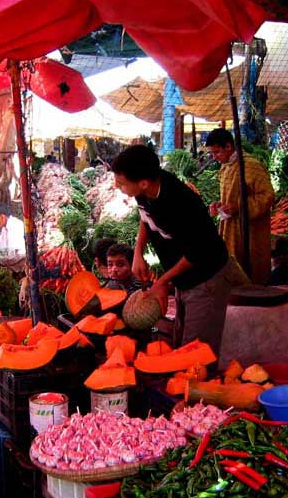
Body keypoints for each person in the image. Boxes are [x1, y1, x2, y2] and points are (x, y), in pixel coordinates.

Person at [112, 144, 248, 357]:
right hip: (184, 278)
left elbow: (195, 254)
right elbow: (145, 217)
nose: (116, 186)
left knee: (195, 354)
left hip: (206, 277)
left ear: (143, 182)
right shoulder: (146, 190)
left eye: (121, 183)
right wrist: (138, 252)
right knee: (181, 344)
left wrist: (162, 282)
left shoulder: (179, 203)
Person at [205, 127, 276, 286]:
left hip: (250, 232)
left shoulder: (250, 166)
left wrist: (238, 207)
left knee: (251, 273)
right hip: (229, 228)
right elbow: (230, 196)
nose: (214, 157)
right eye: (212, 153)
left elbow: (267, 196)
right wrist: (219, 205)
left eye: (217, 152)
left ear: (228, 147)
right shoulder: (225, 167)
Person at [0, 203, 26, 272]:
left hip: (19, 264)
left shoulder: (15, 225)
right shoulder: (4, 228)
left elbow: (14, 252)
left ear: (2, 217)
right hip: (10, 263)